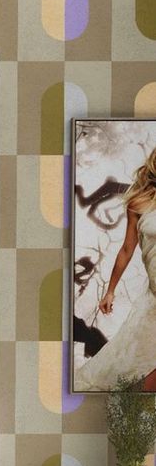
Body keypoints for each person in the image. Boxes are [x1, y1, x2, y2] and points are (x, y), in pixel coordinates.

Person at [77, 147, 156, 392]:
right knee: (140, 360)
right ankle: (139, 421)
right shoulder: (139, 202)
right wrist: (110, 291)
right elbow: (126, 250)